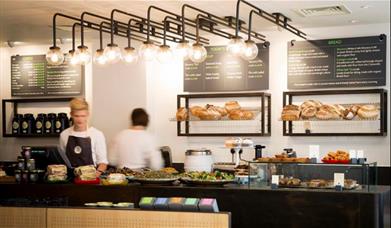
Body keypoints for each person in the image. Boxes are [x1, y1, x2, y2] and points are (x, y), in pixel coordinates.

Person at [59, 98, 108, 176]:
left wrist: (96, 174)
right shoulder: (64, 135)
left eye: (83, 116)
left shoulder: (97, 134)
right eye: (76, 116)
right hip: (71, 180)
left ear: (88, 114)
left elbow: (103, 162)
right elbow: (62, 161)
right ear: (71, 114)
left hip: (90, 179)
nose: (80, 119)